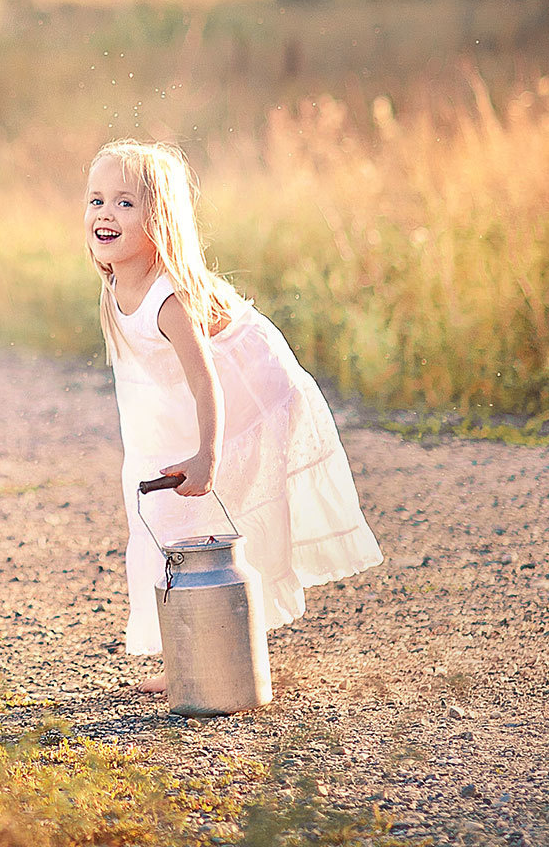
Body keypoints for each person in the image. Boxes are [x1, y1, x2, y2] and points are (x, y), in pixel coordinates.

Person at [85, 139, 381, 693]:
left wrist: (207, 454)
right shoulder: (114, 282)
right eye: (96, 200)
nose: (105, 213)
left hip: (249, 392)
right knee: (160, 522)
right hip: (185, 406)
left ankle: (224, 643)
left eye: (125, 203)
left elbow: (206, 381)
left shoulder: (169, 299)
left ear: (160, 221)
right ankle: (189, 649)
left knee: (219, 516)